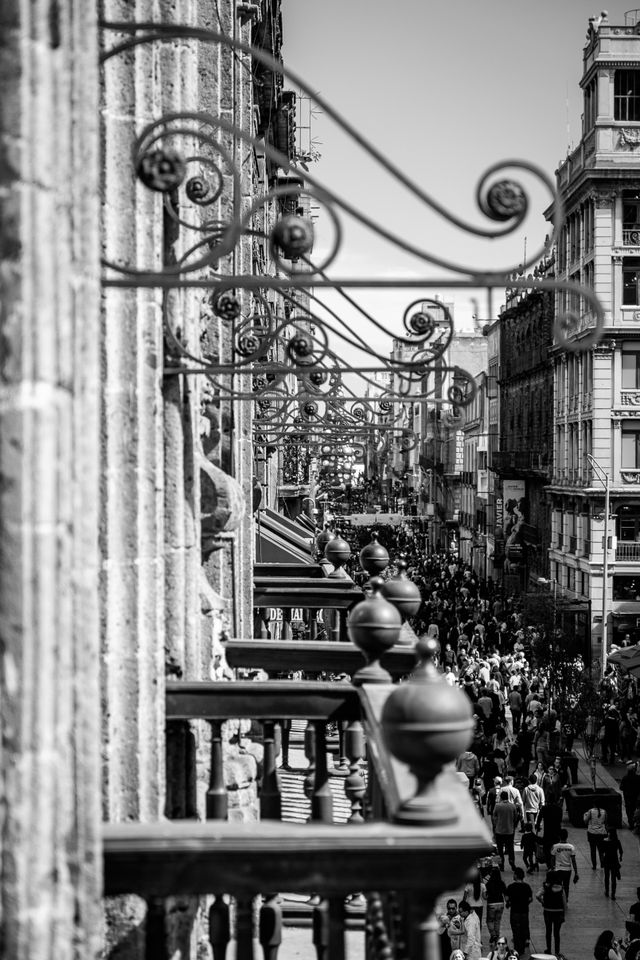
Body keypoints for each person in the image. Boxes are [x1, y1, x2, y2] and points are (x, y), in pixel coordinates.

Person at [536, 868, 567, 958]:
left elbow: (537, 895)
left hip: (548, 911)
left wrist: (543, 902)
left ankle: (548, 949)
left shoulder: (545, 887)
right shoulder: (561, 888)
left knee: (548, 931)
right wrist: (563, 914)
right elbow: (564, 903)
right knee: (557, 933)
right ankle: (557, 951)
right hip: (558, 912)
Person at [505, 866, 532, 956]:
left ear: (516, 875)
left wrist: (510, 902)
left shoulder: (511, 887)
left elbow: (507, 898)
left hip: (515, 912)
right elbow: (530, 899)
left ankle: (517, 949)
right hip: (524, 912)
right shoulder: (527, 886)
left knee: (516, 931)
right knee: (523, 929)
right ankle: (522, 948)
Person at [550, 827, 579, 901]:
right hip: (567, 870)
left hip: (558, 870)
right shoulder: (571, 847)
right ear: (567, 836)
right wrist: (576, 873)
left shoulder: (555, 846)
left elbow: (552, 859)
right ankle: (566, 900)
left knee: (558, 885)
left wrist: (552, 869)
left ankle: (558, 900)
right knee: (566, 886)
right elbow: (573, 861)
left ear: (559, 836)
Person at [492, 789, 518, 872]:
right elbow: (516, 817)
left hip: (499, 831)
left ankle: (501, 865)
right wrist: (513, 825)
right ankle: (512, 862)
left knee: (499, 849)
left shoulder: (497, 806)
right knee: (510, 849)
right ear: (507, 797)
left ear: (501, 797)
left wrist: (496, 825)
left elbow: (494, 816)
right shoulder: (512, 806)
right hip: (510, 831)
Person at [485, 865, 508, 950]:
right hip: (500, 903)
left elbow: (485, 894)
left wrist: (488, 875)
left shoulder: (489, 883)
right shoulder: (501, 883)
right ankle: (496, 937)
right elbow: (506, 895)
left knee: (489, 921)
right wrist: (507, 902)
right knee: (497, 921)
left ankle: (493, 935)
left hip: (491, 904)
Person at [584, 803, 609, 869]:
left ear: (594, 804)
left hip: (592, 833)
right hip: (601, 833)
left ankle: (594, 865)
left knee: (593, 850)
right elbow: (606, 823)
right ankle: (602, 864)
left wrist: (584, 815)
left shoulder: (590, 811)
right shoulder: (604, 811)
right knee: (601, 850)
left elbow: (585, 821)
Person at [601, 827, 623, 900]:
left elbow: (602, 851)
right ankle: (613, 894)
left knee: (607, 877)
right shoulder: (617, 841)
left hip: (607, 861)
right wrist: (620, 857)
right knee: (613, 879)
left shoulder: (605, 841)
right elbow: (621, 851)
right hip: (614, 861)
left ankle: (607, 891)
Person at [620, 760, 640, 829]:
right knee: (635, 809)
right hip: (635, 797)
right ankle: (635, 822)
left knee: (629, 810)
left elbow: (621, 788)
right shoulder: (638, 778)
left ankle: (630, 823)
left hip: (627, 797)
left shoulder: (625, 778)